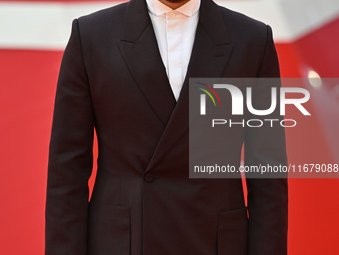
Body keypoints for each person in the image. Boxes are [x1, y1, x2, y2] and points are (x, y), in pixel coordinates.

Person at [45, 0, 288, 254]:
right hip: (123, 242)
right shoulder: (91, 36)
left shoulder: (253, 40)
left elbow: (268, 174)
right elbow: (67, 170)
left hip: (215, 242)